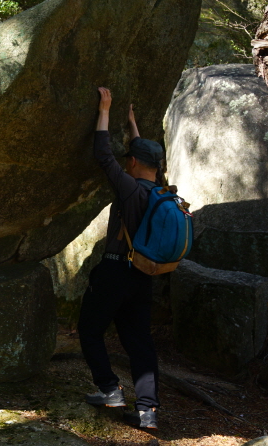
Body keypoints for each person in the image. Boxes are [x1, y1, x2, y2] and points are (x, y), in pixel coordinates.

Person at [78, 86, 162, 430]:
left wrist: (105, 110)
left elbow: (103, 155)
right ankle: (147, 411)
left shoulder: (129, 189)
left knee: (89, 330)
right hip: (143, 275)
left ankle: (110, 390)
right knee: (140, 342)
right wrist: (132, 124)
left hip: (114, 272)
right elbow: (140, 153)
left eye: (130, 159)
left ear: (133, 163)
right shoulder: (162, 190)